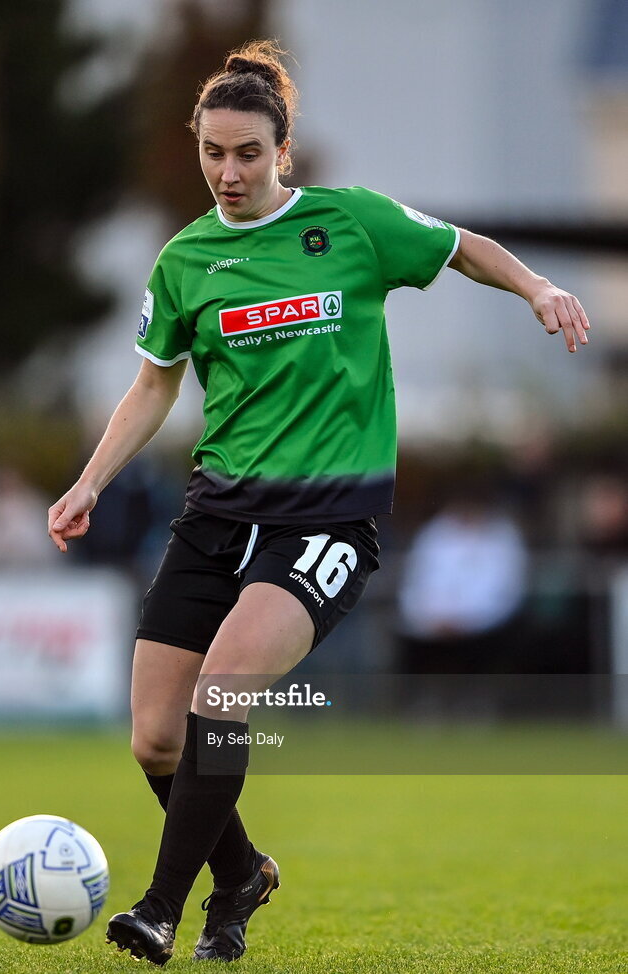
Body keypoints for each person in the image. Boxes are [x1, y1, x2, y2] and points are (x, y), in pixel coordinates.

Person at [48, 40, 590, 966]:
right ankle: (244, 874)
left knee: (222, 696)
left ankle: (161, 908)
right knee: (153, 739)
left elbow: (464, 248)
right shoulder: (185, 259)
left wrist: (537, 286)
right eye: (213, 152)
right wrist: (89, 479)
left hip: (325, 521)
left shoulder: (353, 225)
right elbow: (152, 386)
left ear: (283, 149)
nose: (228, 171)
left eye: (247, 152)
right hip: (216, 514)